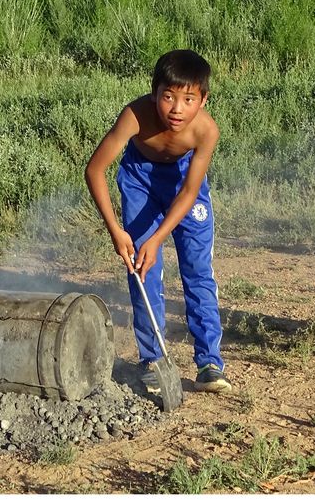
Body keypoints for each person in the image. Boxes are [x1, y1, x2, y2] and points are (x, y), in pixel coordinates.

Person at [85, 49, 231, 394]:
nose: (177, 108)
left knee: (197, 270)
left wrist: (158, 237)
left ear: (203, 99)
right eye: (168, 97)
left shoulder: (206, 131)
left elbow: (190, 191)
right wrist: (116, 231)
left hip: (183, 186)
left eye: (189, 99)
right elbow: (94, 170)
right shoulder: (135, 116)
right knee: (141, 268)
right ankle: (153, 359)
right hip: (140, 180)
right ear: (155, 94)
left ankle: (209, 362)